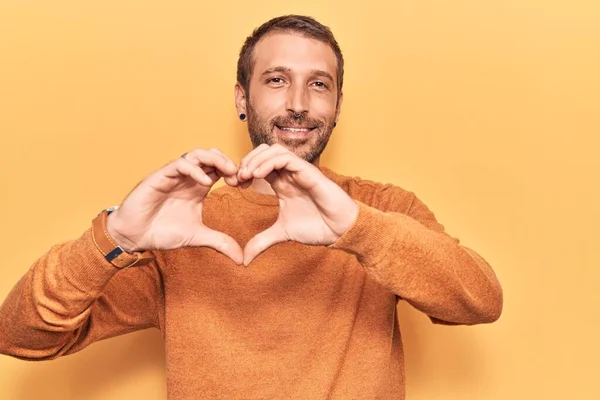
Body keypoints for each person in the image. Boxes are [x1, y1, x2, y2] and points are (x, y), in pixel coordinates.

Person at [0, 14, 503, 400]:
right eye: (277, 80)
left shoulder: (380, 209)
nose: (299, 103)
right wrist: (115, 239)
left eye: (319, 84)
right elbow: (21, 336)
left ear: (338, 105)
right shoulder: (179, 225)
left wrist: (357, 229)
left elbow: (479, 301)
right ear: (242, 99)